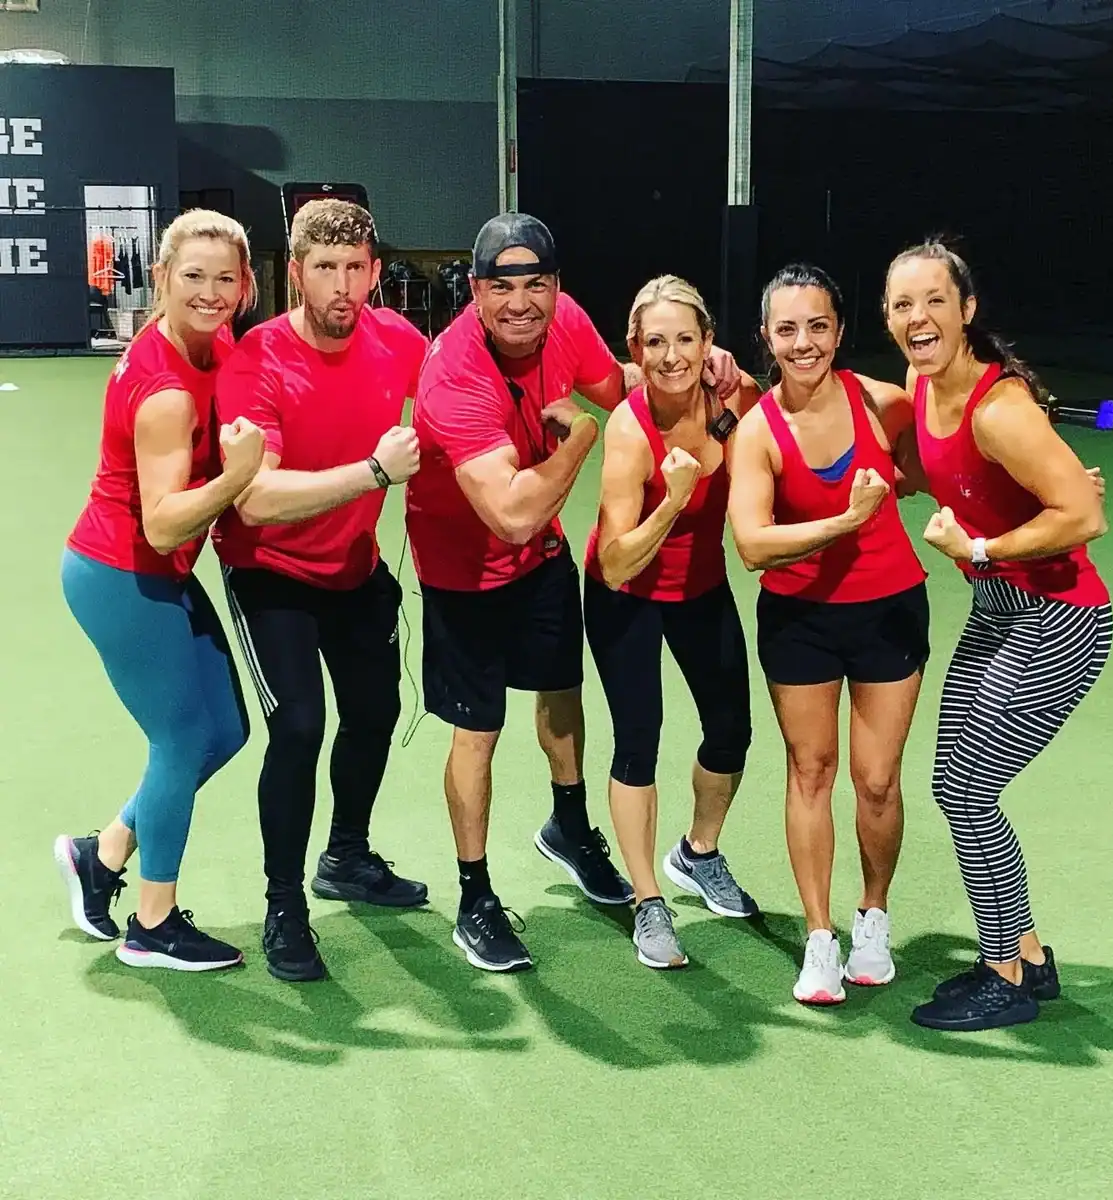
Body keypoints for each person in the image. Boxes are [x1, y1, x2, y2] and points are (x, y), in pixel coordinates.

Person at [407, 213, 742, 972]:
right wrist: (587, 441)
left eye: (536, 285)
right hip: (465, 569)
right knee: (478, 733)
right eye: (502, 287)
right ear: (475, 290)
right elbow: (514, 514)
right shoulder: (456, 373)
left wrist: (690, 359)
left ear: (556, 288)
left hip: (542, 563)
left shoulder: (567, 323)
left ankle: (569, 827)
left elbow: (616, 380)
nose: (520, 302)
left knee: (562, 696)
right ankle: (475, 894)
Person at [883, 238, 1112, 1032]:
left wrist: (979, 550)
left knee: (967, 793)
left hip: (1061, 619)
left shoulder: (998, 406)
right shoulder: (921, 381)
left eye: (935, 301)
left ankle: (1003, 973)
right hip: (999, 612)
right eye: (903, 305)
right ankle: (1031, 957)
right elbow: (940, 464)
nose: (920, 317)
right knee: (959, 783)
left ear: (967, 309)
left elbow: (1086, 515)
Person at [212, 199, 426, 984]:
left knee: (375, 712)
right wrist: (373, 473)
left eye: (356, 269)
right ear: (295, 272)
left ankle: (347, 856)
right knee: (300, 726)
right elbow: (256, 499)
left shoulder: (399, 341)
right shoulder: (255, 360)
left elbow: (468, 379)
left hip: (352, 565)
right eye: (325, 270)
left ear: (374, 272)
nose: (342, 286)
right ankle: (283, 905)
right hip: (268, 568)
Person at [54, 209, 263, 971]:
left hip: (155, 573)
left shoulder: (212, 344)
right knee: (180, 740)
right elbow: (169, 522)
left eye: (224, 279)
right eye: (193, 278)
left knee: (226, 731)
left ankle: (100, 854)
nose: (209, 293)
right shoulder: (166, 389)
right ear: (163, 279)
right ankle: (152, 924)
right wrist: (238, 477)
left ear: (245, 286)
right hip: (122, 574)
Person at [727, 263, 931, 1005]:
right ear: (766, 338)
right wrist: (845, 521)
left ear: (841, 331)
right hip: (800, 620)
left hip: (889, 609)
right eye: (787, 329)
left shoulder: (885, 404)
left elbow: (930, 470)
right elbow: (752, 544)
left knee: (877, 780)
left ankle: (872, 918)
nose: (803, 342)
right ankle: (820, 938)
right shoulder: (757, 432)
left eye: (818, 326)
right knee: (810, 771)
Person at [583, 275, 761, 969]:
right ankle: (647, 900)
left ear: (708, 342)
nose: (671, 355)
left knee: (732, 731)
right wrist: (673, 500)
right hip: (624, 592)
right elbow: (620, 560)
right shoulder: (629, 431)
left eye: (686, 339)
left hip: (701, 586)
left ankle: (697, 852)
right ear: (635, 348)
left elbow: (779, 443)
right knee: (638, 740)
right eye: (655, 342)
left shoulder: (729, 397)